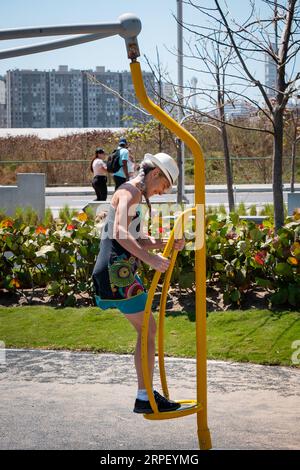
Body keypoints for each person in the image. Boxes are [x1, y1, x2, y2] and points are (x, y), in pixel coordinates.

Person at [92, 152, 185, 414]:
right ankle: (144, 396)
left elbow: (135, 238)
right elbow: (120, 232)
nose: (161, 192)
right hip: (116, 272)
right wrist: (151, 260)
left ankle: (144, 394)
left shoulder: (134, 194)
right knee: (148, 329)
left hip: (118, 272)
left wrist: (164, 244)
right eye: (163, 186)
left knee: (147, 330)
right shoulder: (130, 191)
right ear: (155, 174)